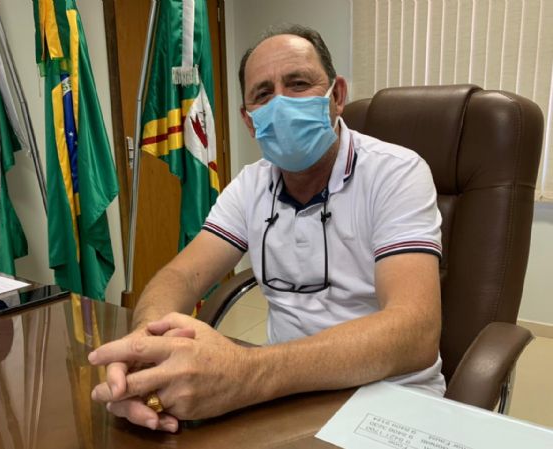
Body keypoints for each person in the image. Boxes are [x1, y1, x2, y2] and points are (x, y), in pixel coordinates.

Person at [88, 24, 444, 433]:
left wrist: (248, 372)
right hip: (286, 398)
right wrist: (144, 348)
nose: (281, 103)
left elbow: (415, 331)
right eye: (262, 94)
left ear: (337, 96)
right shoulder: (251, 185)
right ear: (248, 119)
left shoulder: (397, 173)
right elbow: (180, 276)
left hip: (390, 398)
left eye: (298, 83)